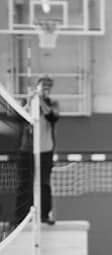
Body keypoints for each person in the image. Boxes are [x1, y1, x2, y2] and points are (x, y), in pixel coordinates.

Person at [14, 76, 59, 225]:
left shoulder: (53, 104)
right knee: (24, 183)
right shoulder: (27, 102)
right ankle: (20, 217)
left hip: (45, 150)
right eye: (43, 86)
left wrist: (40, 101)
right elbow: (21, 116)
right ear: (37, 86)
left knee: (44, 183)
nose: (45, 88)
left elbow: (53, 117)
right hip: (27, 149)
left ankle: (44, 215)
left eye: (48, 86)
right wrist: (30, 101)